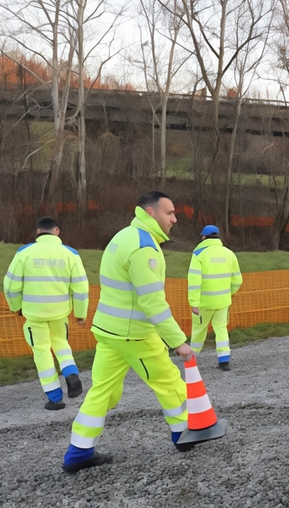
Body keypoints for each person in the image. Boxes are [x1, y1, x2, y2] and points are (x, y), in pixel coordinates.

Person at [61, 191, 197, 473]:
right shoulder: (145, 247)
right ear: (150, 212)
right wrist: (178, 342)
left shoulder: (124, 236)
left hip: (110, 331)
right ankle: (184, 436)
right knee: (169, 382)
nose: (174, 219)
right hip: (134, 333)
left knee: (102, 391)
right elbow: (152, 301)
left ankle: (78, 452)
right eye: (169, 212)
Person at [3, 216, 89, 410]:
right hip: (60, 314)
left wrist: (16, 307)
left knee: (42, 352)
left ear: (37, 232)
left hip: (34, 316)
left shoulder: (24, 253)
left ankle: (55, 398)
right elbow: (81, 288)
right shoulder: (71, 254)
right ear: (57, 231)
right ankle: (72, 375)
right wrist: (80, 314)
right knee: (61, 344)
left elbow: (10, 285)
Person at [188, 225, 242, 371]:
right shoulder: (229, 253)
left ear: (204, 237)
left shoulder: (198, 254)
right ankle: (224, 361)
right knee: (221, 329)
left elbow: (194, 281)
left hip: (203, 303)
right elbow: (238, 280)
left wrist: (193, 302)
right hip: (223, 302)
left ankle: (191, 361)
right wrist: (228, 293)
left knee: (199, 331)